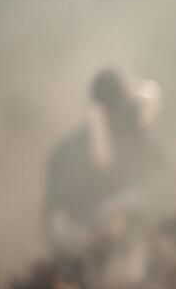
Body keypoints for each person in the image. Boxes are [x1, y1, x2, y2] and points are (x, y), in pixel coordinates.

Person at [42, 68, 165, 255]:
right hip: (84, 259)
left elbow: (159, 198)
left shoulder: (141, 149)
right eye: (119, 111)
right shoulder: (69, 154)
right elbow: (57, 220)